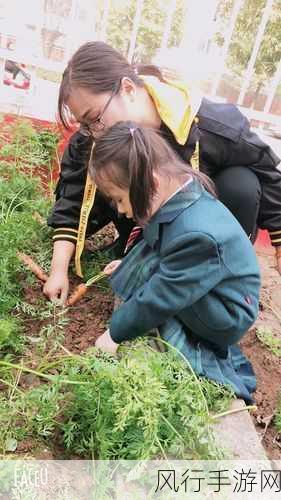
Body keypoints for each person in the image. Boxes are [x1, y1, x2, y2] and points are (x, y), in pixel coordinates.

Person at [44, 41, 281, 303]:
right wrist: (58, 271)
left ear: (128, 88)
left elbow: (267, 172)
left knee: (241, 183)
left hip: (196, 233)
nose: (95, 133)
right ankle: (136, 255)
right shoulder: (95, 135)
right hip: (144, 234)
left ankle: (221, 279)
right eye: (86, 125)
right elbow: (72, 200)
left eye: (96, 118)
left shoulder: (210, 125)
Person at [91, 121, 260, 402]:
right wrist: (130, 265)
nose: (120, 210)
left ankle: (189, 349)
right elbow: (159, 246)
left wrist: (114, 334)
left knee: (158, 305)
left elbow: (160, 298)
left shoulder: (198, 235)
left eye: (120, 199)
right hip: (210, 283)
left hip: (226, 313)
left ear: (152, 184)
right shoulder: (180, 193)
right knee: (147, 263)